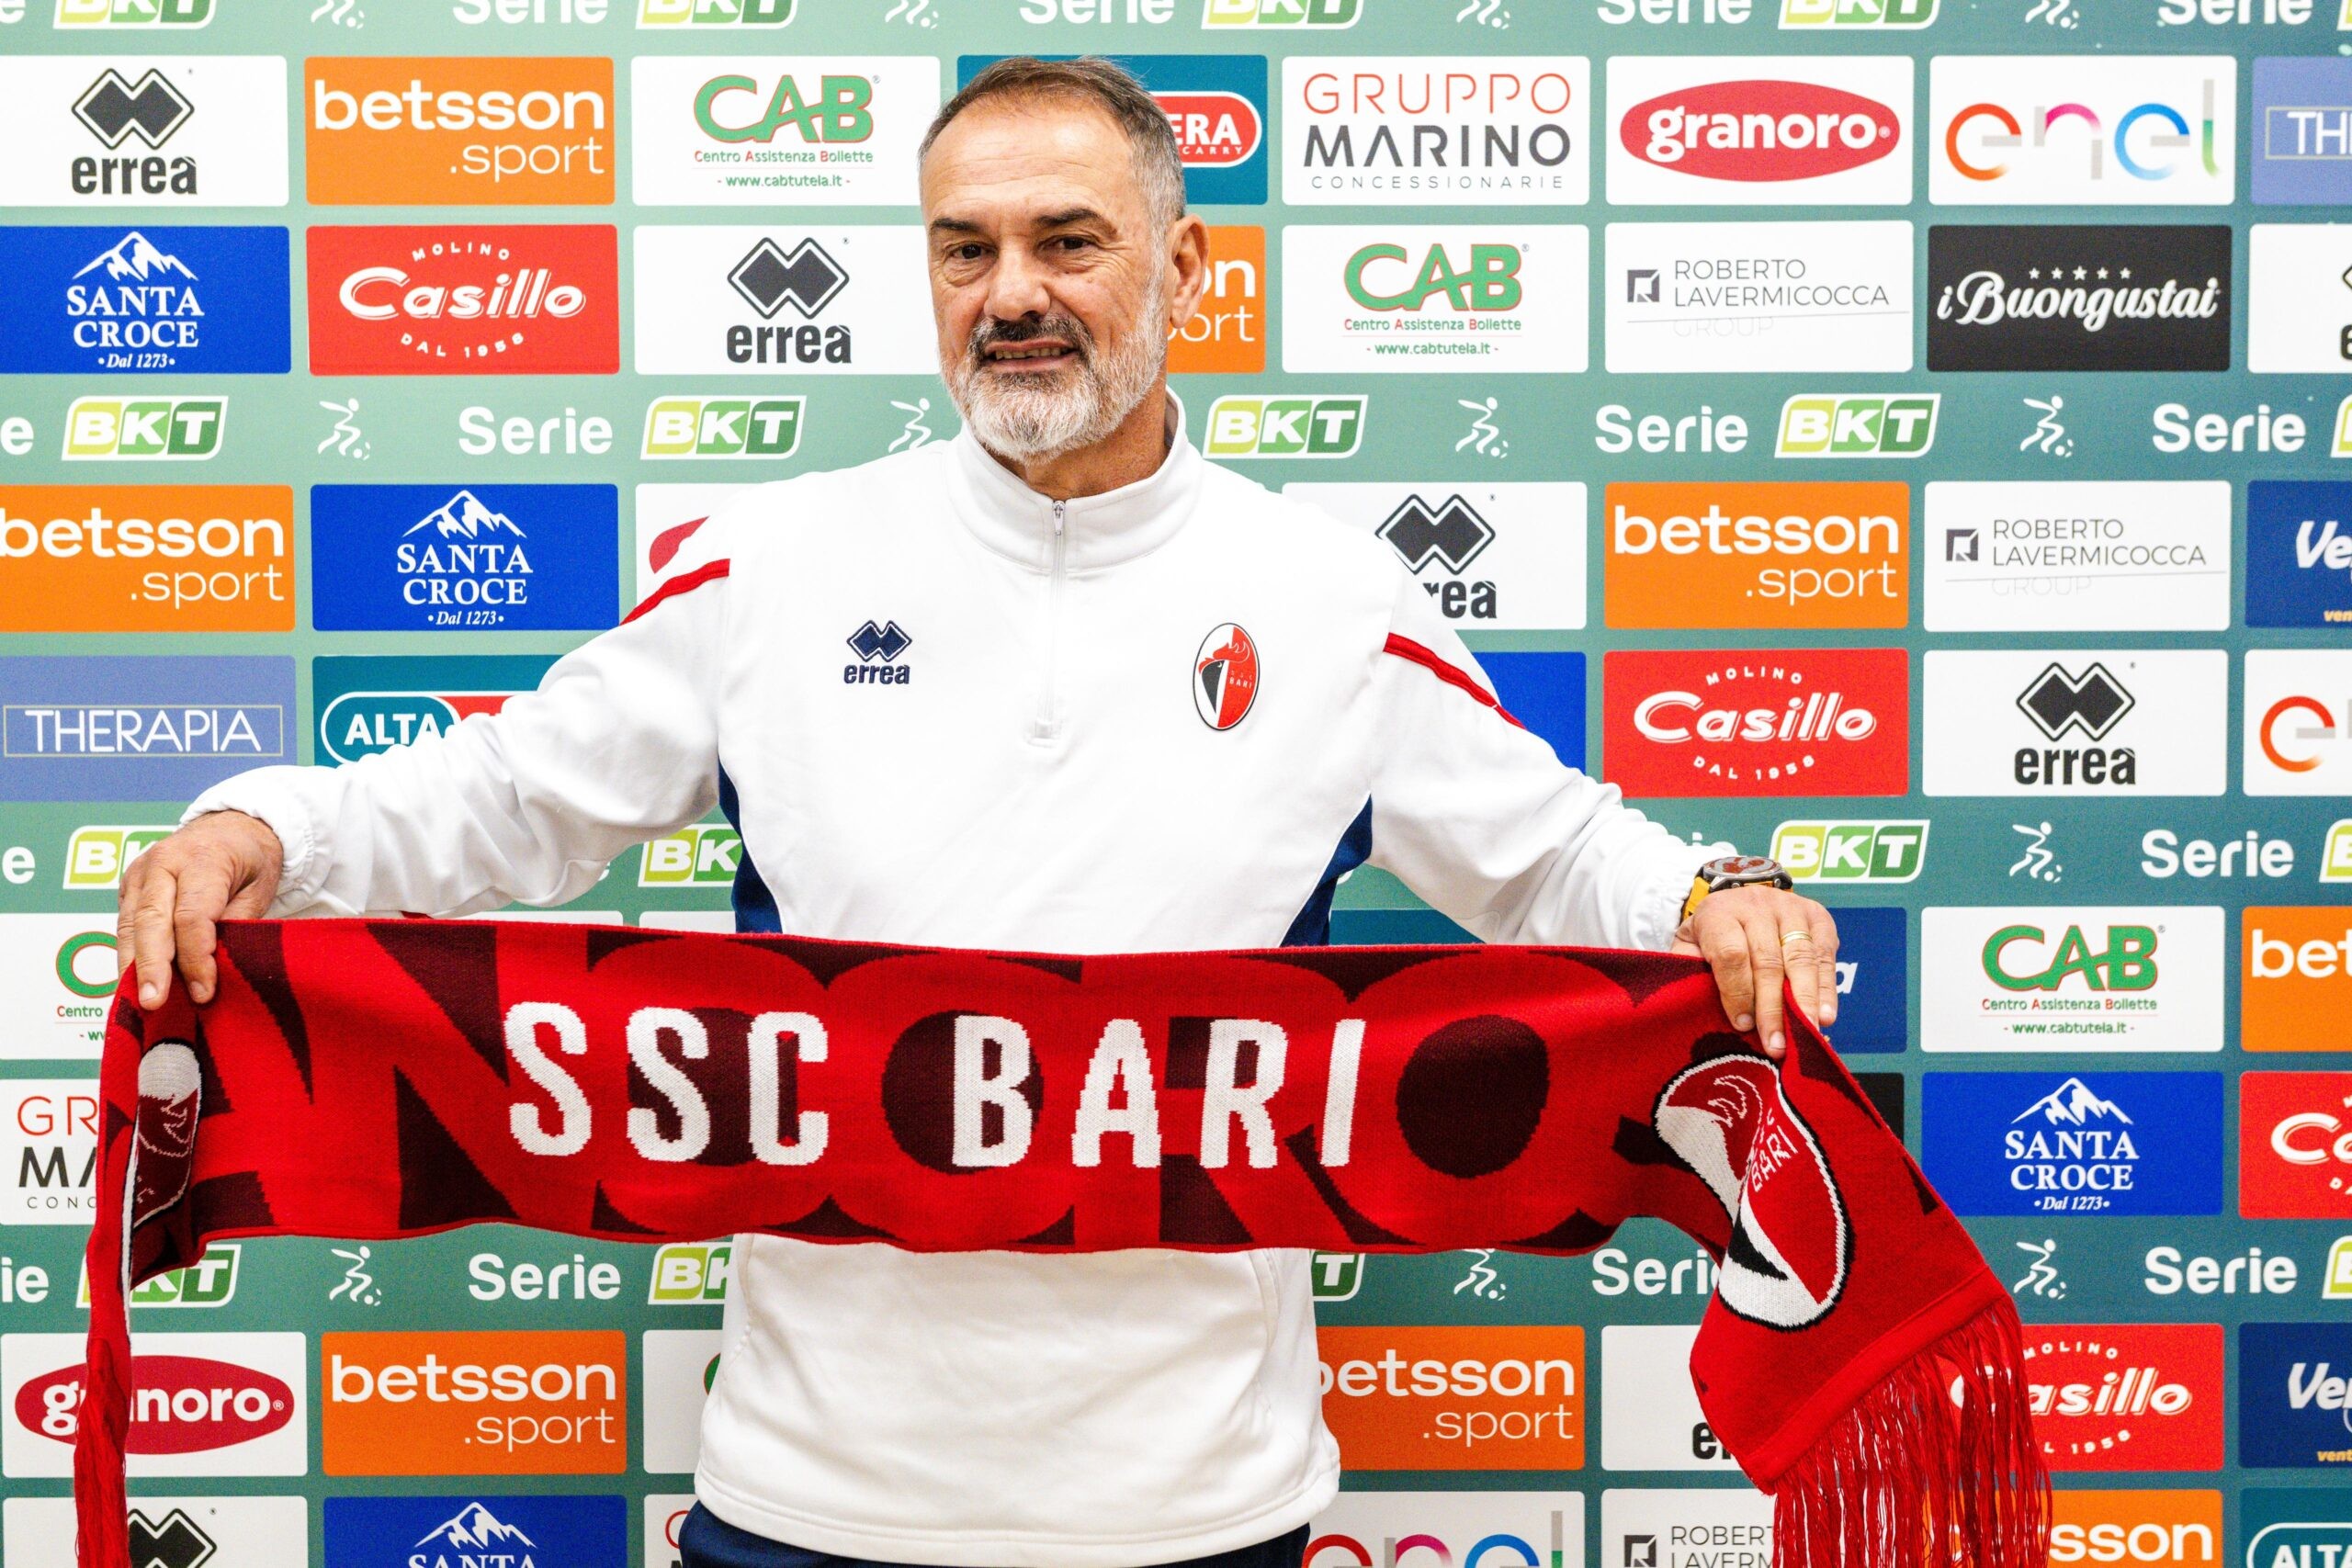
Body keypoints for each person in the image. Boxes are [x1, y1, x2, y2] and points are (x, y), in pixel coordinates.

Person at [118, 56, 1840, 1568]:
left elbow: (1552, 854)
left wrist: (1714, 898)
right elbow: (507, 796)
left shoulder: (1333, 600)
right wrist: (267, 834)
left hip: (1198, 1503)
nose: (1011, 294)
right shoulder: (773, 562)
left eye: (1067, 241)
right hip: (811, 1494)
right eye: (966, 250)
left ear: (1185, 267)